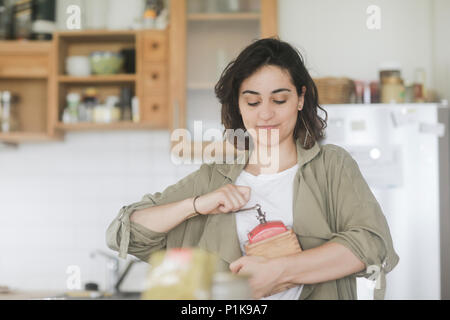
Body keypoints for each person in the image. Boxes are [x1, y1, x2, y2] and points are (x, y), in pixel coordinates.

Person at [106, 38, 399, 300]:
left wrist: (278, 271)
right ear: (239, 104)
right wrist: (196, 205)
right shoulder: (214, 177)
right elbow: (126, 233)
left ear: (300, 98)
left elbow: (371, 243)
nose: (266, 113)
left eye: (279, 99)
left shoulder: (331, 166)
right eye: (253, 101)